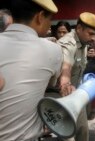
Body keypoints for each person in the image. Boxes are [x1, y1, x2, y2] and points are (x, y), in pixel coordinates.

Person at [0, 0, 63, 140]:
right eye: (50, 19)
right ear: (40, 17)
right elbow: (51, 84)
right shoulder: (53, 50)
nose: (49, 24)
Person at [57, 12, 95, 141]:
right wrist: (65, 82)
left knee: (82, 131)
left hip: (76, 95)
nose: (93, 38)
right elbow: (66, 66)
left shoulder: (84, 44)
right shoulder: (68, 43)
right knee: (68, 136)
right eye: (91, 33)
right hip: (63, 96)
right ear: (78, 29)